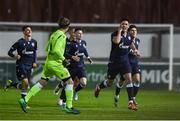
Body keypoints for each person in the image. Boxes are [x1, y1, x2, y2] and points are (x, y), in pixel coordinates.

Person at [18, 17, 80, 114]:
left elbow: (47, 47)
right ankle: (69, 106)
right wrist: (64, 59)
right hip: (56, 63)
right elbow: (56, 50)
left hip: (48, 62)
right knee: (70, 82)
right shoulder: (62, 36)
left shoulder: (54, 34)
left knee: (42, 82)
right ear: (67, 27)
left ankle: (25, 99)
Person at [94, 19, 139, 110]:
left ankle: (130, 102)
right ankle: (99, 87)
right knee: (110, 82)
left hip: (125, 62)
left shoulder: (130, 36)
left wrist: (135, 50)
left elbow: (131, 44)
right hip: (114, 62)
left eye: (126, 24)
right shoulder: (114, 34)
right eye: (123, 24)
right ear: (120, 25)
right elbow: (117, 41)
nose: (124, 25)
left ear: (128, 26)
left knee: (129, 79)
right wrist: (119, 31)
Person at [55, 28, 93, 108]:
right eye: (78, 33)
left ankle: (75, 91)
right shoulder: (70, 44)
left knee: (83, 83)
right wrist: (72, 57)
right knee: (68, 84)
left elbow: (84, 50)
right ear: (74, 34)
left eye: (81, 33)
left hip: (81, 67)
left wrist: (88, 58)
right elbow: (64, 53)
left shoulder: (83, 42)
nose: (80, 35)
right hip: (72, 67)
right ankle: (62, 99)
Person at [4, 26, 37, 99]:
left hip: (30, 66)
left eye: (30, 30)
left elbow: (34, 53)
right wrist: (15, 55)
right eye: (27, 30)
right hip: (21, 65)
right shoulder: (19, 42)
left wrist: (34, 62)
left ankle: (12, 84)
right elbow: (9, 52)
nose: (29, 31)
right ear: (24, 32)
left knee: (26, 86)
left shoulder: (34, 42)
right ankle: (23, 102)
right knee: (25, 82)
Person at [114, 24, 141, 108]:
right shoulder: (126, 39)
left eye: (135, 31)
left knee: (137, 80)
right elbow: (124, 50)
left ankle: (132, 99)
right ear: (129, 32)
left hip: (135, 63)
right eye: (132, 30)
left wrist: (137, 52)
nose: (134, 32)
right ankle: (117, 95)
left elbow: (135, 50)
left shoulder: (138, 40)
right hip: (126, 63)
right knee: (122, 81)